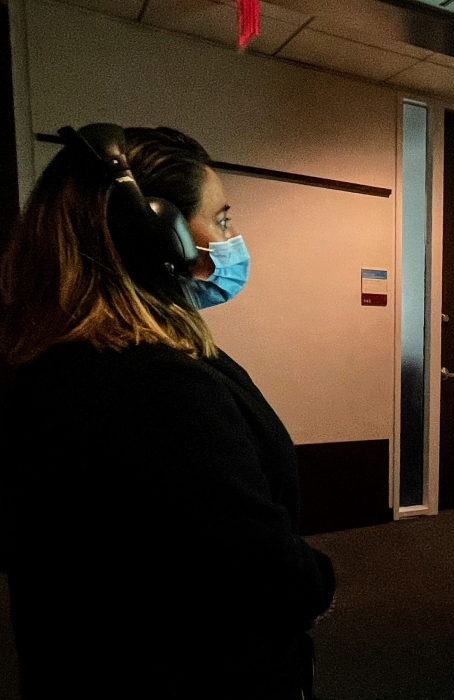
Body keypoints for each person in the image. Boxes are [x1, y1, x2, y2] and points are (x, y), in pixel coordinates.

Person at [0, 125, 335, 699]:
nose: (233, 238)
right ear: (160, 235)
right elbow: (257, 566)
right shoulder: (159, 387)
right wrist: (319, 578)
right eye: (222, 220)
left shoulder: (46, 361)